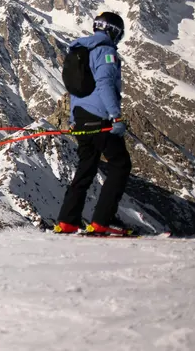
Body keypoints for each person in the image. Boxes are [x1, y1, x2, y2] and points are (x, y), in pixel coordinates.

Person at [55, 12, 132, 235]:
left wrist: (73, 119)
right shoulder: (106, 52)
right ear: (113, 31)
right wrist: (115, 116)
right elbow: (105, 84)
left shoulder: (80, 50)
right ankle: (103, 221)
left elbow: (76, 89)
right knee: (120, 164)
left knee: (85, 169)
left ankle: (67, 221)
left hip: (81, 118)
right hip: (100, 118)